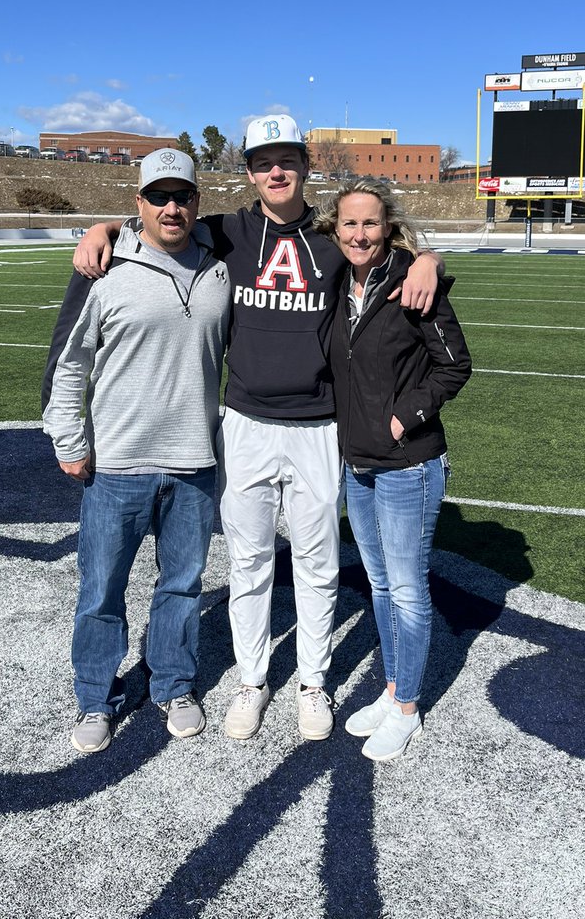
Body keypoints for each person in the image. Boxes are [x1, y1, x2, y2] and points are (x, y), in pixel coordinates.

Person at [73, 117, 443, 742]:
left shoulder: (332, 238)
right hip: (243, 423)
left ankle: (313, 683)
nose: (277, 172)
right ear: (248, 172)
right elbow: (158, 226)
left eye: (288, 160)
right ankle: (251, 679)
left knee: (318, 564)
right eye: (264, 162)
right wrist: (102, 226)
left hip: (318, 427)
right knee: (246, 562)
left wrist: (427, 258)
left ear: (304, 165)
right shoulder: (228, 232)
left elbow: (387, 246)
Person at [42, 149, 231, 752]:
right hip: (117, 464)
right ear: (138, 203)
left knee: (183, 584)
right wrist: (69, 440)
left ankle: (174, 683)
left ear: (198, 201)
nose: (171, 207)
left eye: (183, 196)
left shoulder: (220, 268)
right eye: (159, 197)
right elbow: (70, 364)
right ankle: (95, 696)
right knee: (101, 589)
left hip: (195, 462)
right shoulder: (104, 269)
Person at [314, 179, 471, 761]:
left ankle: (408, 710)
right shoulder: (337, 280)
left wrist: (405, 417)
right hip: (359, 464)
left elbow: (455, 366)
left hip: (410, 464)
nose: (359, 235)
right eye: (348, 224)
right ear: (336, 229)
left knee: (406, 589)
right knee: (379, 585)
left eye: (370, 224)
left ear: (387, 227)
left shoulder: (411, 280)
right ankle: (393, 688)